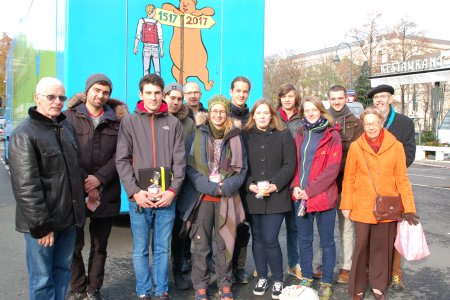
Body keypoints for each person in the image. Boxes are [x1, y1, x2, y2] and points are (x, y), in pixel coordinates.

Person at [9, 77, 86, 300]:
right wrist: (41, 226)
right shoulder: (24, 133)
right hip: (43, 225)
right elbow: (26, 188)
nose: (57, 101)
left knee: (63, 273)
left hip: (68, 220)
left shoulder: (65, 127)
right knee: (42, 281)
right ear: (37, 98)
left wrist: (87, 196)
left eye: (61, 97)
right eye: (51, 97)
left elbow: (76, 169)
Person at [115, 74, 186, 300]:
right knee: (141, 250)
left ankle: (161, 290)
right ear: (140, 94)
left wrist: (172, 191)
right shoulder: (129, 122)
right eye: (148, 93)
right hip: (140, 199)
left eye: (157, 93)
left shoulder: (173, 123)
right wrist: (135, 192)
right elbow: (122, 160)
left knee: (162, 248)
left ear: (162, 94)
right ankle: (144, 292)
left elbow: (180, 162)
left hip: (166, 198)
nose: (153, 97)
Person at [340, 106, 418, 300]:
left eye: (374, 123)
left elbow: (402, 179)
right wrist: (346, 205)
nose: (371, 128)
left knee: (381, 248)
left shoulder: (396, 146)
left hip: (387, 207)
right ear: (363, 125)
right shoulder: (357, 147)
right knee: (361, 247)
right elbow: (348, 178)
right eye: (367, 124)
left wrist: (409, 208)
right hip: (362, 205)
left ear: (382, 123)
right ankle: (357, 286)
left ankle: (378, 286)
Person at [64, 74, 128, 300]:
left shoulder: (119, 121)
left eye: (105, 92)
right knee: (74, 245)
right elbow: (67, 153)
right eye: (97, 90)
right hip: (74, 192)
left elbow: (122, 155)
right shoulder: (68, 118)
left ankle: (94, 289)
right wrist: (85, 180)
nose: (100, 96)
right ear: (87, 91)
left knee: (100, 246)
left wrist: (99, 179)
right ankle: (78, 287)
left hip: (107, 190)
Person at [179, 95, 247, 300]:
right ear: (209, 113)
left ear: (227, 114)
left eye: (222, 111)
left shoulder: (236, 137)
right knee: (202, 244)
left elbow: (242, 169)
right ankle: (200, 285)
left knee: (225, 242)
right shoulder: (198, 134)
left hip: (227, 197)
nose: (218, 115)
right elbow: (190, 168)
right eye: (214, 111)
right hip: (203, 197)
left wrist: (225, 187)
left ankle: (225, 283)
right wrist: (210, 187)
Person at [243, 100, 296, 299]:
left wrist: (275, 184)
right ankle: (262, 276)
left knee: (271, 238)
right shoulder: (245, 137)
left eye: (266, 113)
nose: (263, 116)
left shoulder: (283, 135)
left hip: (276, 197)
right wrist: (250, 184)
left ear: (272, 115)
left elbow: (290, 164)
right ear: (253, 116)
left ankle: (277, 278)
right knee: (257, 238)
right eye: (259, 113)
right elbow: (241, 165)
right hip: (253, 195)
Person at [291, 96, 342, 300]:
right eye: (307, 110)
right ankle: (307, 277)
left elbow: (332, 170)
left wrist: (309, 191)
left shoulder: (332, 135)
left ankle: (327, 281)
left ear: (321, 111)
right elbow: (294, 163)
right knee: (304, 240)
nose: (310, 113)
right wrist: (295, 186)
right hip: (300, 197)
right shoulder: (300, 133)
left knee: (327, 242)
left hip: (323, 197)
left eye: (314, 110)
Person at [368, 84, 416, 291]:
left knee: (397, 233)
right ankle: (370, 271)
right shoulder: (368, 121)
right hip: (370, 187)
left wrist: (387, 168)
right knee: (371, 231)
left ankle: (396, 273)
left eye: (383, 96)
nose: (379, 100)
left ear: (390, 99)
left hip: (394, 186)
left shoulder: (404, 123)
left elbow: (410, 154)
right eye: (376, 97)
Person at [326, 85, 364, 284]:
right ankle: (326, 264)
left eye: (340, 98)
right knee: (324, 229)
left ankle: (346, 266)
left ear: (345, 99)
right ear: (329, 99)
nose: (337, 102)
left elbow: (357, 155)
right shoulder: (323, 121)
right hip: (324, 184)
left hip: (344, 184)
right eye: (333, 98)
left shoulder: (356, 123)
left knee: (346, 227)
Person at [164, 82, 195, 290]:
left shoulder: (189, 123)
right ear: (164, 97)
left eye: (178, 98)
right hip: (159, 183)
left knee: (179, 231)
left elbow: (192, 154)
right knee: (159, 232)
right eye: (172, 97)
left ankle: (177, 269)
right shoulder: (155, 119)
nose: (175, 102)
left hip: (182, 184)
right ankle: (160, 274)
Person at [276, 83, 303, 280]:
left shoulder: (302, 119)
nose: (287, 99)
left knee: (294, 226)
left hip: (296, 180)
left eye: (291, 96)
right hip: (276, 179)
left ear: (296, 98)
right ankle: (268, 263)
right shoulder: (272, 117)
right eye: (284, 96)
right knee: (271, 227)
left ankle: (294, 263)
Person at [228, 76, 252, 284]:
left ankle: (240, 267)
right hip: (229, 180)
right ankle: (224, 268)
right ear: (231, 91)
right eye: (238, 91)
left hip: (249, 181)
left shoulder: (252, 117)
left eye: (245, 92)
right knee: (226, 227)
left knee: (243, 228)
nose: (242, 95)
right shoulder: (222, 114)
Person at [134, 4, 164, 76]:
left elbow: (138, 35)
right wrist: (162, 49)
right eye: (155, 12)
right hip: (155, 48)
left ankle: (145, 85)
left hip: (146, 47)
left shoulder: (142, 21)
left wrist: (135, 47)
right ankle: (159, 85)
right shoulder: (158, 23)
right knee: (157, 71)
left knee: (146, 70)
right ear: (153, 12)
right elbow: (160, 37)